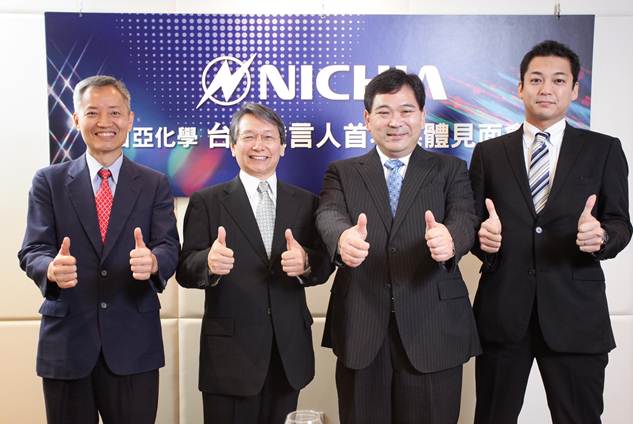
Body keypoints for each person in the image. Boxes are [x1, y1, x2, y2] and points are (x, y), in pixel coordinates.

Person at [470, 40, 632, 423]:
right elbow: (473, 223)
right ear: (520, 87)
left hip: (575, 315)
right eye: (536, 79)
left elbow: (620, 223)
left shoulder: (604, 150)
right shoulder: (488, 153)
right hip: (503, 314)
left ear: (575, 90)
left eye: (559, 80)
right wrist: (482, 239)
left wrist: (602, 237)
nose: (546, 89)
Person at [316, 68, 480, 424]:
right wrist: (342, 238)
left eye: (406, 111)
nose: (395, 122)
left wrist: (450, 239)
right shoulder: (342, 172)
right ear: (367, 118)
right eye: (384, 112)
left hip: (433, 327)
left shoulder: (450, 169)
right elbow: (328, 213)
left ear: (422, 115)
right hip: (362, 324)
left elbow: (465, 217)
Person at [18, 75, 180, 424]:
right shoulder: (49, 181)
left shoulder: (154, 184)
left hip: (133, 344)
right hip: (67, 344)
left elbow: (169, 246)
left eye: (115, 112)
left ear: (130, 119)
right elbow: (33, 249)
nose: (105, 122)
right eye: (92, 113)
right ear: (76, 119)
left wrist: (154, 262)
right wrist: (50, 268)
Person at [176, 103, 333, 424]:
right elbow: (185, 269)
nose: (259, 145)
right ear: (233, 146)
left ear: (282, 146)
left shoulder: (306, 202)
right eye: (248, 137)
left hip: (287, 352)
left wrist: (306, 262)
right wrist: (208, 263)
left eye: (268, 137)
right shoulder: (207, 201)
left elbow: (324, 264)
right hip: (230, 356)